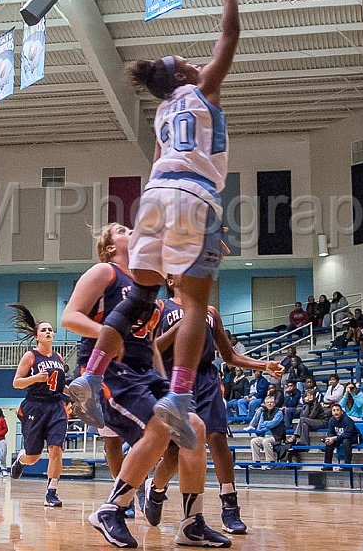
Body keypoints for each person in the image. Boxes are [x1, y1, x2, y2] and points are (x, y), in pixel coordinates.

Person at [68, 0, 244, 453]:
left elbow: (162, 167)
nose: (193, 62)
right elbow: (229, 37)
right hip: (194, 196)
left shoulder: (163, 114)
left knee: (142, 295)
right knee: (193, 304)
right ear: (184, 77)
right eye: (186, 62)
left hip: (153, 197)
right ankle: (180, 397)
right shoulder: (202, 91)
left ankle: (91, 374)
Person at [62, 223, 229, 548]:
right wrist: (110, 336)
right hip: (110, 368)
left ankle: (192, 523)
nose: (132, 230)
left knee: (193, 426)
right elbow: (70, 317)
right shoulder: (104, 272)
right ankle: (112, 509)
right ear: (110, 247)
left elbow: (152, 344)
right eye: (122, 230)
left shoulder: (147, 285)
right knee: (158, 426)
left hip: (142, 372)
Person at [144, 278, 283, 534]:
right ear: (171, 279)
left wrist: (264, 365)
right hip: (176, 378)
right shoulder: (161, 308)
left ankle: (230, 506)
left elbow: (229, 356)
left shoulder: (209, 311)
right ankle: (156, 489)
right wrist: (182, 325)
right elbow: (152, 347)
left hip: (207, 378)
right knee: (175, 452)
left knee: (218, 438)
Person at [8, 305, 67, 506]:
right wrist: (34, 378)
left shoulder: (58, 357)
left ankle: (51, 492)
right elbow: (16, 383)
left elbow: (60, 386)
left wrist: (76, 394)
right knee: (33, 456)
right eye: (44, 330)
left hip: (56, 406)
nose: (48, 332)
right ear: (37, 337)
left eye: (51, 329)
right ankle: (20, 460)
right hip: (35, 406)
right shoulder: (30, 356)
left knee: (56, 450)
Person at [247, 395, 286, 469]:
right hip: (265, 435)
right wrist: (267, 424)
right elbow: (261, 425)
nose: (269, 404)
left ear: (274, 404)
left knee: (266, 441)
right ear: (265, 404)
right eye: (267, 402)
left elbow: (274, 423)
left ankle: (271, 462)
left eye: (271, 402)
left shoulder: (279, 412)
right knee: (254, 441)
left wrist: (266, 424)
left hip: (276, 436)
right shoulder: (263, 412)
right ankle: (256, 462)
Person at [321, 404, 358, 471]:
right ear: (332, 413)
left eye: (338, 410)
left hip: (353, 437)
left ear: (342, 412)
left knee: (346, 441)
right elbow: (331, 432)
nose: (336, 412)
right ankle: (328, 465)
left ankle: (347, 466)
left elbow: (348, 434)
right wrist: (330, 438)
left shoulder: (347, 419)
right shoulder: (331, 420)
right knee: (329, 443)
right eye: (334, 410)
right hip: (340, 438)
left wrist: (334, 438)